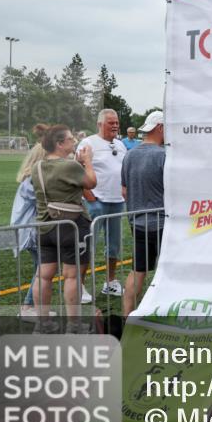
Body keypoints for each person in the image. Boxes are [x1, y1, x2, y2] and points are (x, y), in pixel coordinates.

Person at [32, 125, 96, 331]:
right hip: (71, 227)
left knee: (43, 276)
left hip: (44, 226)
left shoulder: (38, 166)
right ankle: (74, 324)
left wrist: (77, 164)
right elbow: (91, 182)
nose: (74, 142)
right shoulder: (70, 167)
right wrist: (87, 162)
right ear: (60, 144)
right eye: (70, 139)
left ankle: (44, 323)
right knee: (71, 276)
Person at [78, 108, 128, 297]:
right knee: (88, 244)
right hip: (96, 202)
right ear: (100, 124)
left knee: (113, 244)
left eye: (116, 122)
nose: (115, 125)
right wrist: (91, 198)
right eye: (110, 122)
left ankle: (110, 282)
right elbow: (77, 170)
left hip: (116, 202)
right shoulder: (88, 142)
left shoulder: (121, 144)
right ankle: (80, 285)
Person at [120, 111, 165, 317]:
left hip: (138, 223)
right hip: (163, 224)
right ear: (160, 128)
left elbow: (124, 190)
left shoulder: (129, 155)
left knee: (138, 272)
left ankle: (128, 318)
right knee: (167, 274)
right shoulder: (163, 155)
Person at [10, 125, 48, 317]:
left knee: (40, 268)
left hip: (30, 230)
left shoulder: (30, 177)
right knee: (43, 269)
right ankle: (28, 307)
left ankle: (30, 306)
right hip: (31, 231)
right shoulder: (33, 179)